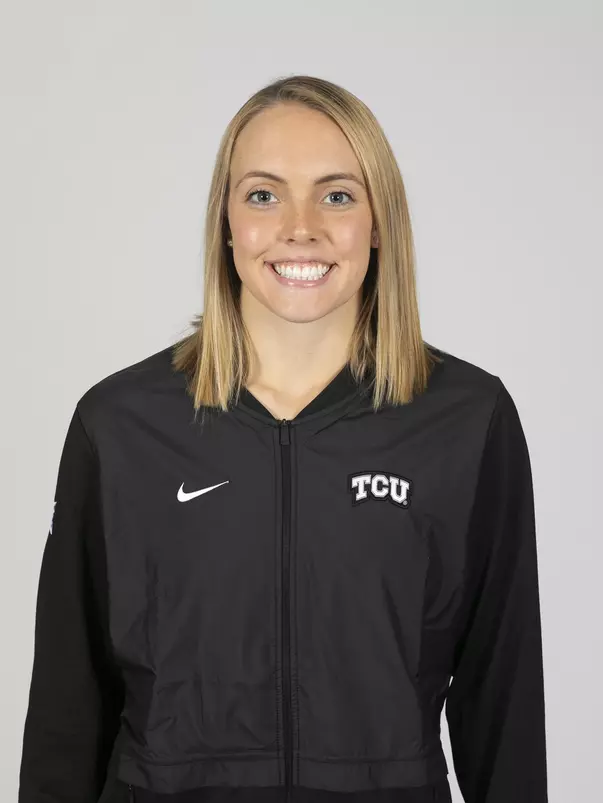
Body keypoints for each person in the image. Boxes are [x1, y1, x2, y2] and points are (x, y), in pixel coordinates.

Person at [18, 75, 548, 803]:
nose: (301, 226)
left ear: (378, 221)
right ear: (227, 223)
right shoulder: (119, 427)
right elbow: (66, 709)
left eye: (337, 194)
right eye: (263, 194)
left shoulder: (464, 420)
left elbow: (503, 696)